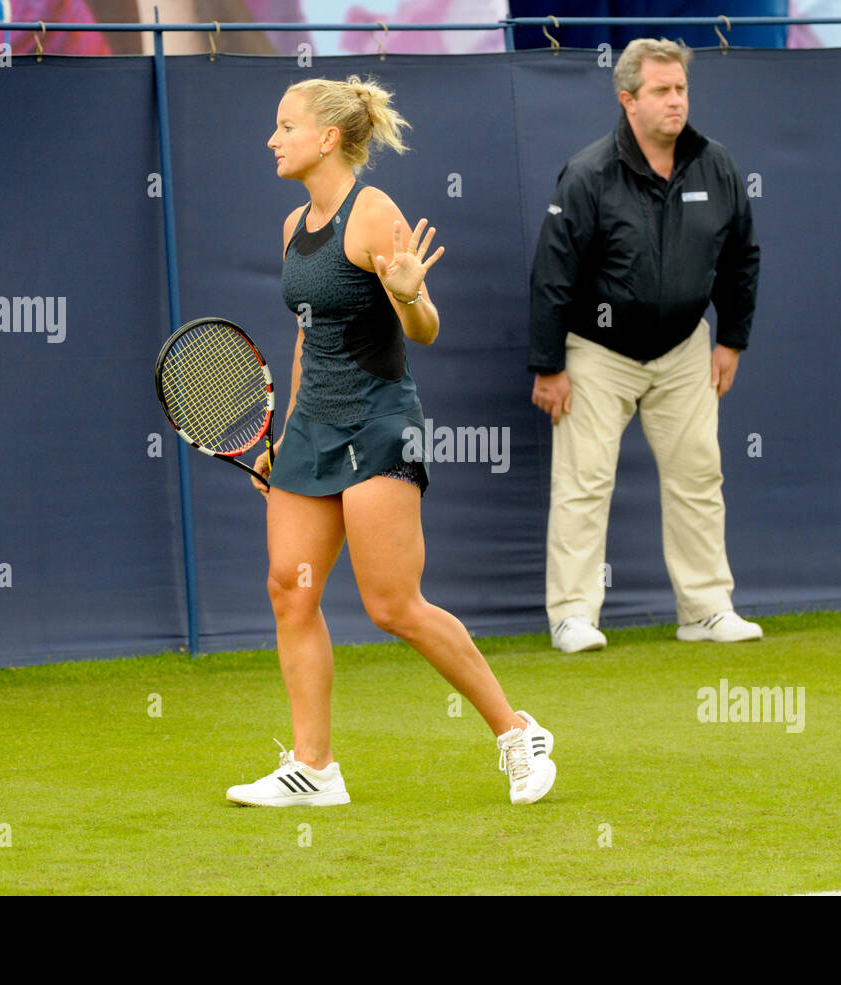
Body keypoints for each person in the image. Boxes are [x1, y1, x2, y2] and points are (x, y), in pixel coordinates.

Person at [225, 75, 557, 807]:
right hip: (312, 426)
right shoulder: (292, 227)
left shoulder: (374, 214)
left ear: (328, 137)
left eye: (285, 126)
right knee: (290, 589)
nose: (272, 139)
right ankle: (314, 768)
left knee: (392, 604)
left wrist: (408, 291)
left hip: (380, 422)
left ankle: (516, 730)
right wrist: (282, 436)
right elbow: (309, 339)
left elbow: (425, 330)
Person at [528, 38, 764, 652]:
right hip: (597, 354)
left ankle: (706, 609)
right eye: (661, 91)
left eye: (681, 88)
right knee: (583, 484)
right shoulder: (587, 173)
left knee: (698, 476)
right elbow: (552, 274)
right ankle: (573, 617)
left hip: (686, 349)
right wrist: (549, 365)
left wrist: (731, 340)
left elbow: (742, 257)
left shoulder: (717, 166)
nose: (676, 101)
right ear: (628, 99)